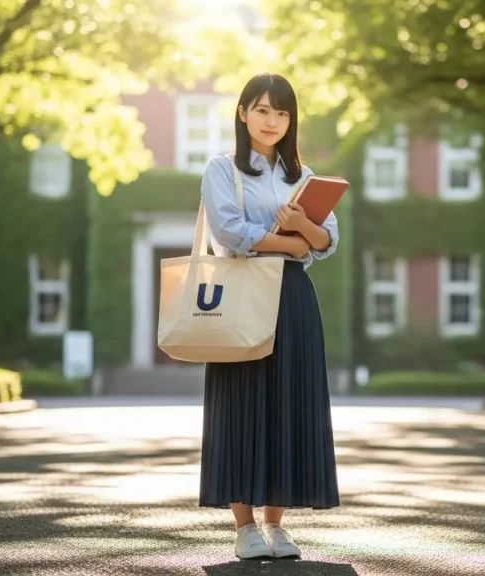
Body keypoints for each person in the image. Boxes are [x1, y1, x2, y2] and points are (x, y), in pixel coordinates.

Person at [198, 73, 341, 560]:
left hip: (294, 298)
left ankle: (276, 525)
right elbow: (230, 231)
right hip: (241, 290)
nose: (272, 121)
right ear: (242, 112)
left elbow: (327, 241)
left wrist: (303, 226)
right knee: (240, 405)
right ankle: (244, 527)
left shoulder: (303, 176)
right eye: (262, 110)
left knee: (289, 404)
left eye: (282, 113)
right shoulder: (223, 169)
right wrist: (294, 240)